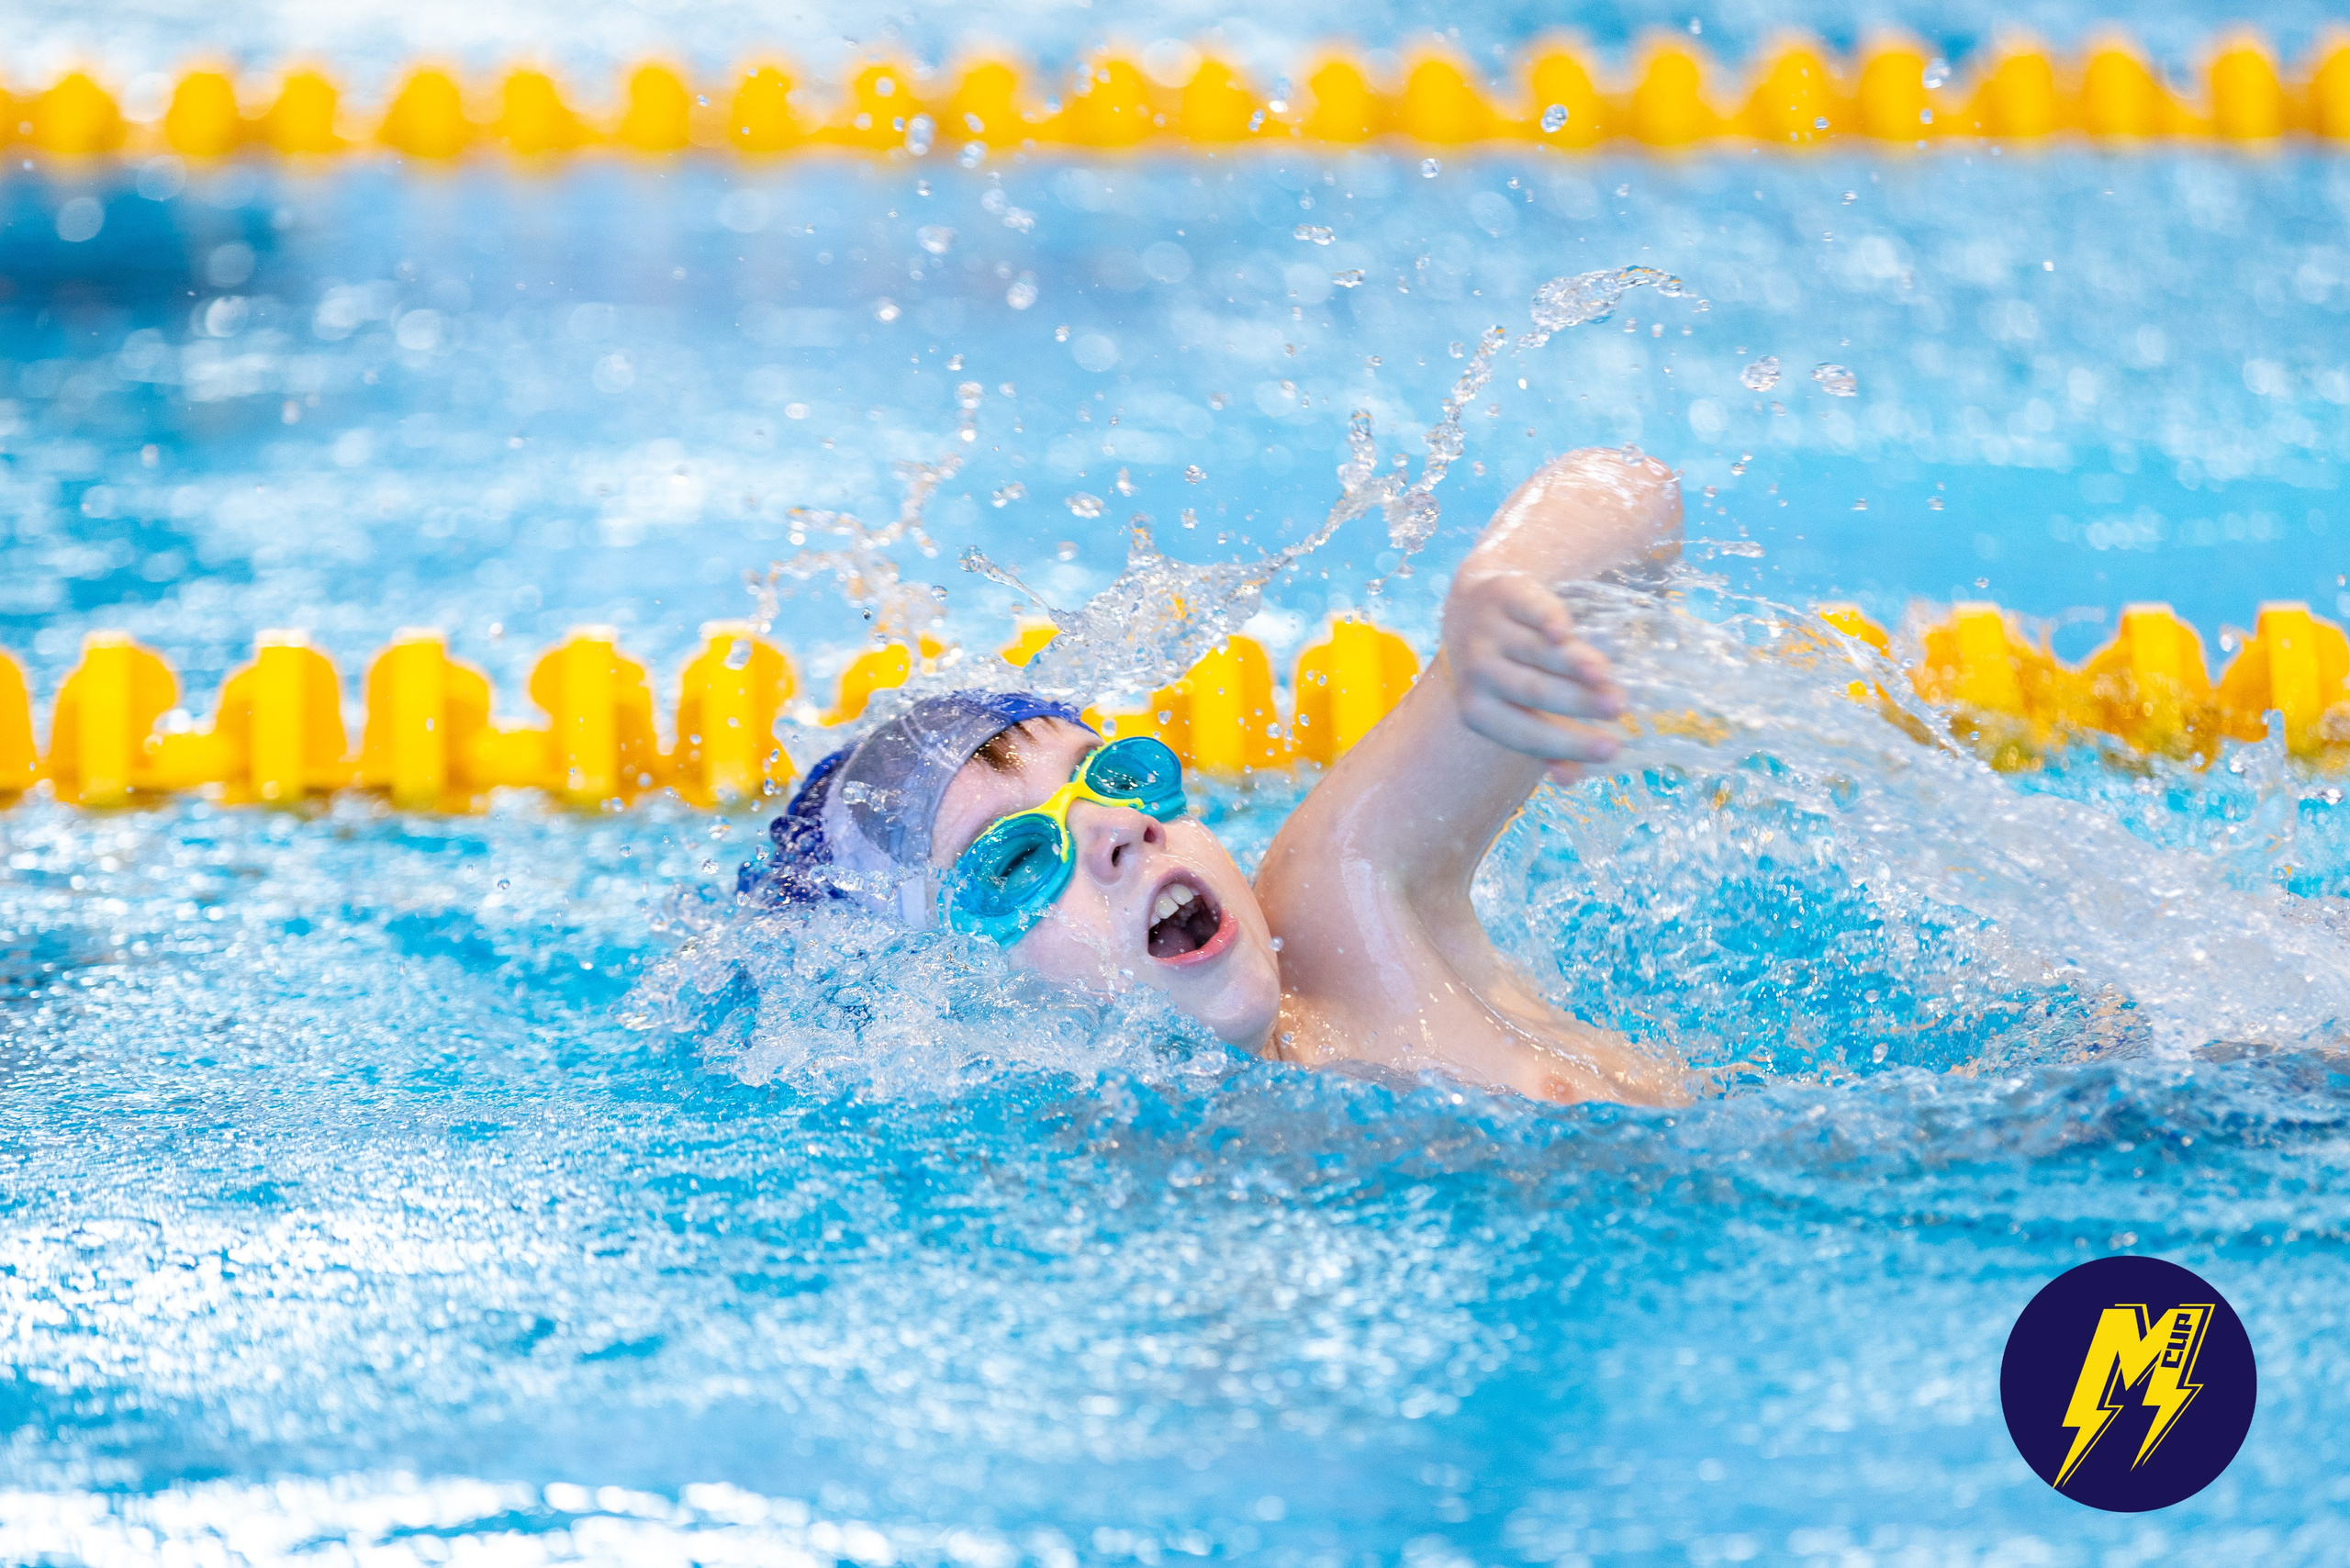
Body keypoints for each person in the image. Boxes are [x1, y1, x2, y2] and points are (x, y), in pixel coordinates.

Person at [740, 447, 1689, 1106]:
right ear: (939, 1002)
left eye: (1112, 777)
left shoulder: (1347, 917)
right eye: (1017, 861)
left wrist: (1504, 592)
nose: (1117, 831)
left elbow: (1630, 494)